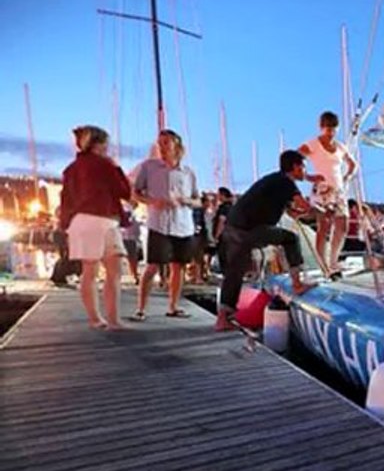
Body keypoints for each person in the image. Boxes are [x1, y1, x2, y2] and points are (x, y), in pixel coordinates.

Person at [215, 149, 317, 331]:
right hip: (249, 229)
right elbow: (305, 206)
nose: (305, 172)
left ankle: (222, 319)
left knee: (234, 273)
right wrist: (325, 212)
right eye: (303, 167)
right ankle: (297, 284)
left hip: (234, 228)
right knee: (290, 238)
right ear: (295, 167)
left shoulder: (274, 181)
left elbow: (293, 212)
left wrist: (305, 213)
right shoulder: (286, 182)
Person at [60, 125, 132, 329]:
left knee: (89, 272)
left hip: (82, 221)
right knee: (113, 271)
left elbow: (66, 199)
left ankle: (95, 319)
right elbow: (124, 190)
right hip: (104, 219)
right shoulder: (105, 165)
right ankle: (113, 320)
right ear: (99, 145)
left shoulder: (71, 169)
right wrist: (116, 167)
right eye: (106, 145)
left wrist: (65, 225)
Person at [131, 128, 200, 321]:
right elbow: (136, 193)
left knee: (179, 267)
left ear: (176, 145)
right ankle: (141, 309)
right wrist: (153, 202)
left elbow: (198, 200)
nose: (161, 147)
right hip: (159, 224)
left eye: (165, 143)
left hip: (183, 225)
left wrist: (186, 201)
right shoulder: (148, 167)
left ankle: (173, 306)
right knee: (152, 266)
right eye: (159, 143)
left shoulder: (188, 173)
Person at [299, 111, 356, 280]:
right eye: (327, 128)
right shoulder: (313, 144)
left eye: (333, 128)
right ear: (321, 127)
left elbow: (352, 164)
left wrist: (346, 177)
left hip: (338, 191)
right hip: (322, 190)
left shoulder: (339, 147)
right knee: (323, 228)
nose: (330, 132)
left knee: (343, 225)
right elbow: (295, 158)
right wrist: (308, 177)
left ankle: (333, 261)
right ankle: (324, 266)